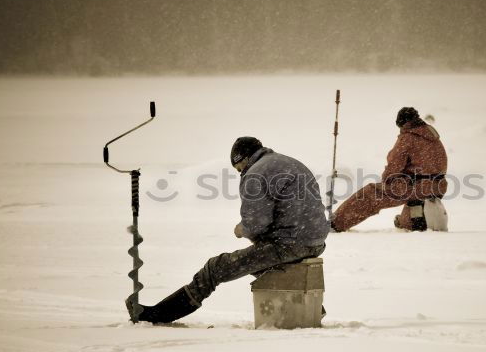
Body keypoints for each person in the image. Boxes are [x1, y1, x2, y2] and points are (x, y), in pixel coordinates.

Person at [128, 136, 329, 324]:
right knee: (263, 262)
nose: (241, 172)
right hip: (315, 241)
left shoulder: (256, 173)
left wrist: (243, 229)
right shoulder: (289, 162)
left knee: (216, 268)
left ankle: (159, 314)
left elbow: (257, 223)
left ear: (244, 159)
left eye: (240, 168)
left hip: (289, 244)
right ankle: (310, 309)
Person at [330, 106, 447, 232]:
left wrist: (386, 183)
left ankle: (335, 223)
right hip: (438, 186)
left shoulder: (408, 138)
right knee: (409, 218)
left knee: (371, 194)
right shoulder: (433, 138)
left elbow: (394, 166)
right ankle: (412, 223)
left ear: (403, 123)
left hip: (416, 186)